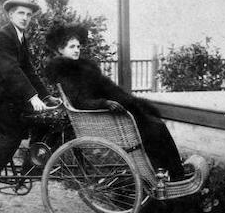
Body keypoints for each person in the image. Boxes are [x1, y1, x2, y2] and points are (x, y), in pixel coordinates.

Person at [44, 24, 185, 181]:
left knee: (156, 125)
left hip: (112, 110)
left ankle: (171, 171)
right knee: (154, 128)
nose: (77, 50)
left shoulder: (84, 67)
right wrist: (104, 103)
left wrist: (128, 101)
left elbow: (106, 87)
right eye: (72, 47)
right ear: (61, 50)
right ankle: (171, 174)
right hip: (101, 116)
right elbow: (79, 102)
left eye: (78, 46)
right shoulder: (66, 72)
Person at [0, 0, 59, 192]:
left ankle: (31, 168)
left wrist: (46, 96)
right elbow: (11, 70)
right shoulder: (2, 37)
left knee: (42, 120)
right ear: (10, 15)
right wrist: (32, 96)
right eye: (21, 13)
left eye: (29, 15)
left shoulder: (20, 38)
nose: (25, 18)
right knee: (14, 133)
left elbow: (28, 71)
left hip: (8, 99)